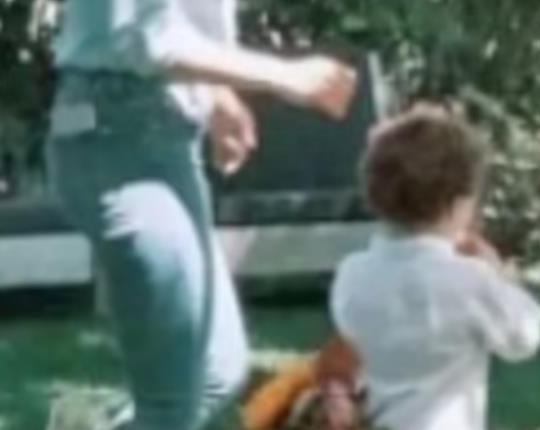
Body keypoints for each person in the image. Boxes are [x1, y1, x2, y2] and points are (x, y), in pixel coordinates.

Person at [45, 0, 357, 429]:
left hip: (167, 142)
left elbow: (174, 26)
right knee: (171, 407)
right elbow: (143, 37)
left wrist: (213, 98)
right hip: (115, 145)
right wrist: (289, 76)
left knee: (218, 372)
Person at [330, 105, 540, 430]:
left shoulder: (351, 273)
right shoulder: (469, 280)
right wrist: (502, 279)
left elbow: (352, 340)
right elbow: (523, 339)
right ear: (458, 203)